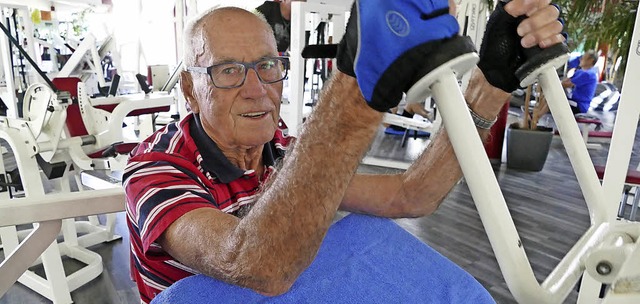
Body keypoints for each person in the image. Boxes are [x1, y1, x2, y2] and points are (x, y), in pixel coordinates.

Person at [124, 0, 565, 302]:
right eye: (228, 71)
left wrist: (489, 86)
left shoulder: (279, 150)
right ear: (190, 90)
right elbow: (253, 262)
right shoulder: (156, 168)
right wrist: (360, 84)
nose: (257, 90)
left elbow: (412, 193)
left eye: (267, 66)